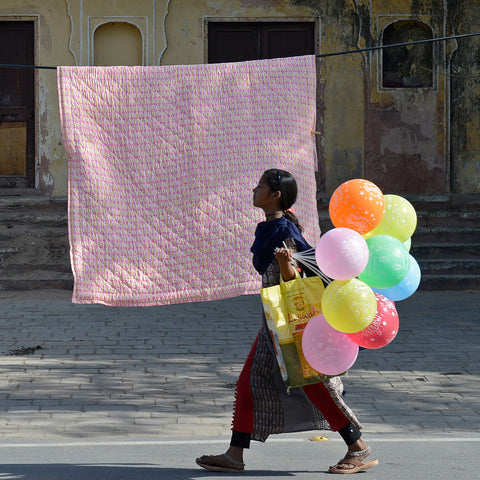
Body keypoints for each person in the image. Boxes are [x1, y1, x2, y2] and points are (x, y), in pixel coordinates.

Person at [196, 169, 378, 474]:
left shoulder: (283, 232)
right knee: (251, 382)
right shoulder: (272, 227)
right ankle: (235, 455)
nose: (254, 190)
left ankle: (357, 448)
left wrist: (285, 265)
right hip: (273, 320)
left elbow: (296, 281)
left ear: (275, 195)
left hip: (289, 322)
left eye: (260, 187)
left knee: (313, 384)